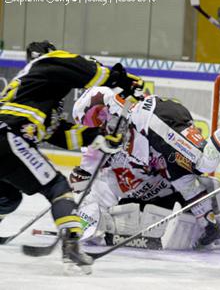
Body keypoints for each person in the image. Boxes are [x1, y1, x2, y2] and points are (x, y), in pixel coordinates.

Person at [0, 40, 140, 275]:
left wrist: (101, 136)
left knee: (8, 196)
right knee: (58, 187)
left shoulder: (34, 92)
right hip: (7, 137)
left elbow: (63, 136)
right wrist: (122, 81)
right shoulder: (48, 61)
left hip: (6, 141)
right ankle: (72, 246)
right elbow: (87, 70)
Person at [70, 86, 220, 249]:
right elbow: (88, 172)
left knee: (203, 163)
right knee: (184, 181)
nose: (98, 124)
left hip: (157, 120)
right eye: (90, 122)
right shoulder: (104, 143)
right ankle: (211, 227)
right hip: (158, 160)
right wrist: (80, 188)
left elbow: (123, 110)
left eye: (96, 116)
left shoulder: (132, 115)